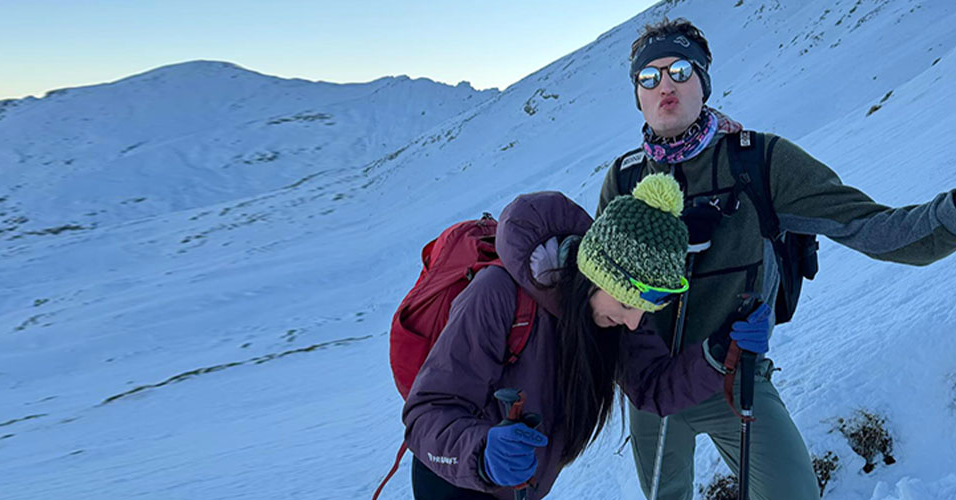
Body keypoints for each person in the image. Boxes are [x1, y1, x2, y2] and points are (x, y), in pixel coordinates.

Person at [599, 18, 956, 500]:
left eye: (680, 71)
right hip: (652, 390)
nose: (665, 86)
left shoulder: (758, 163)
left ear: (703, 83)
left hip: (734, 377)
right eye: (649, 77)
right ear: (637, 96)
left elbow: (870, 227)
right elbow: (595, 293)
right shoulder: (623, 180)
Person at [403, 174, 771, 500]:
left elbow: (653, 386)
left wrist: (718, 352)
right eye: (627, 304)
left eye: (644, 309)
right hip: (457, 480)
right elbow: (427, 413)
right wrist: (483, 453)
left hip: (518, 486)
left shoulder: (612, 317)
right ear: (597, 275)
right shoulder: (497, 294)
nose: (633, 322)